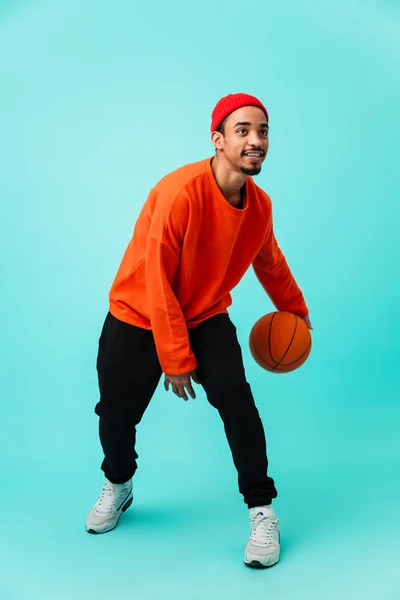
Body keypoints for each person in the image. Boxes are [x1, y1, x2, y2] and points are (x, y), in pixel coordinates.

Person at [86, 93, 312, 569]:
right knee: (115, 413)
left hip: (205, 313)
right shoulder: (178, 192)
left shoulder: (259, 206)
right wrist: (176, 358)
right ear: (218, 140)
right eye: (244, 130)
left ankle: (261, 508)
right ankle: (119, 483)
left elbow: (269, 261)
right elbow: (157, 282)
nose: (256, 140)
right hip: (139, 312)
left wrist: (295, 311)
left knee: (236, 398)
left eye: (263, 131)